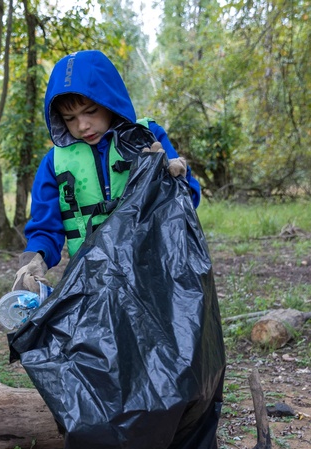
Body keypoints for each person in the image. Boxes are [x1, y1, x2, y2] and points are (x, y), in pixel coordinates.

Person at [13, 50, 202, 293]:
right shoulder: (54, 163)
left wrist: (175, 180)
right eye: (70, 118)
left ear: (110, 101)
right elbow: (45, 228)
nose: (83, 125)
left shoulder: (148, 137)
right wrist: (34, 259)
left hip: (152, 276)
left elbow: (189, 202)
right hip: (89, 282)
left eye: (91, 111)